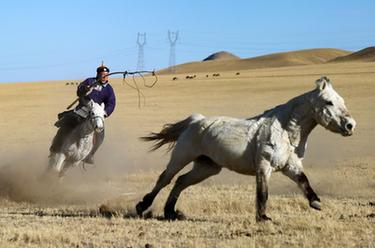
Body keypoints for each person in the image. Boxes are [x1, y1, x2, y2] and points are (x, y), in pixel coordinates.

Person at [50, 64, 116, 164]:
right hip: (82, 111)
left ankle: (90, 155)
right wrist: (84, 89)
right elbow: (79, 90)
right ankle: (56, 147)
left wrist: (104, 113)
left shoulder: (109, 89)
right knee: (65, 124)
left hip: (96, 115)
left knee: (101, 135)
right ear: (98, 75)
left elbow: (111, 103)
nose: (104, 77)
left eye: (106, 75)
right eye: (102, 75)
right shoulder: (90, 81)